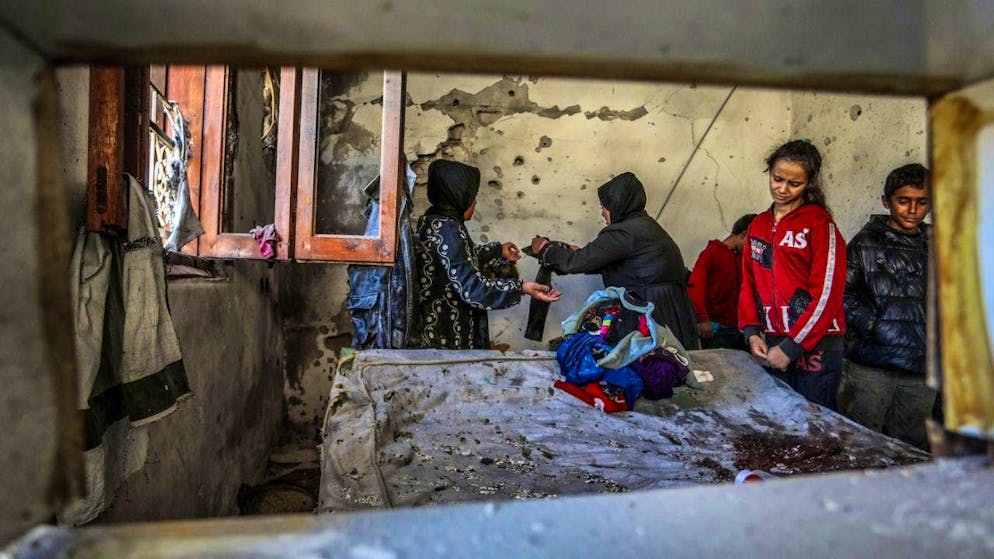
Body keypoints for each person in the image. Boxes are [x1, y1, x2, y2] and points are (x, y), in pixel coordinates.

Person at [531, 172, 700, 350]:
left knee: (643, 361)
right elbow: (614, 260)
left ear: (618, 204)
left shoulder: (623, 232)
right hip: (670, 310)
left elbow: (575, 263)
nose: (602, 213)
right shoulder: (646, 226)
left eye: (605, 206)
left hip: (649, 312)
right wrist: (581, 252)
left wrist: (545, 249)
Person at [739, 140, 847, 409]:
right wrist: (752, 332)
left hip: (817, 343)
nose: (783, 189)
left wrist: (792, 347)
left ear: (809, 183)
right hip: (773, 341)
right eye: (777, 179)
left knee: (814, 420)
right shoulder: (758, 225)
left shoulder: (819, 224)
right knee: (776, 418)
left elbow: (827, 294)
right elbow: (749, 282)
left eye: (794, 183)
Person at [415, 159, 562, 350]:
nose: (475, 202)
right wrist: (521, 288)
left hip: (434, 327)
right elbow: (473, 290)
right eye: (472, 197)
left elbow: (456, 259)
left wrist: (497, 250)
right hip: (447, 332)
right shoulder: (449, 230)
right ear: (457, 196)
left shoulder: (433, 221)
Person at [839, 163, 934, 449]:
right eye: (903, 201)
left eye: (922, 202)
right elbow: (842, 293)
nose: (912, 210)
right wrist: (872, 325)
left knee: (911, 444)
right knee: (860, 440)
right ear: (886, 201)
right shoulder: (865, 243)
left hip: (920, 365)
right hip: (872, 364)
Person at [688, 213, 756, 350]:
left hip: (738, 328)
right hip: (716, 328)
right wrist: (702, 319)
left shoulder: (743, 260)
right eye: (753, 244)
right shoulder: (712, 253)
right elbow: (695, 287)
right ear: (743, 235)